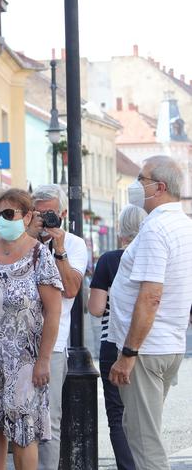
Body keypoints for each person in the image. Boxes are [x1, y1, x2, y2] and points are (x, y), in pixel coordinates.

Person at [108, 156, 192, 470]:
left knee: (145, 444)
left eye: (141, 179)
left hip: (147, 348)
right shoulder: (183, 224)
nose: (135, 185)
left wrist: (128, 352)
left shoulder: (156, 229)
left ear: (159, 187)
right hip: (167, 343)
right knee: (142, 430)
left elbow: (150, 296)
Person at [0, 189, 63, 470]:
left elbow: (53, 312)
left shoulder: (39, 256)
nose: (1, 219)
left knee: (24, 432)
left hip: (24, 362)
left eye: (8, 214)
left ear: (27, 217)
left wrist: (44, 359)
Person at [26, 184, 89, 470]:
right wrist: (28, 237)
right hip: (16, 340)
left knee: (48, 418)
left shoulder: (73, 244)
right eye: (38, 214)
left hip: (53, 345)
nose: (44, 220)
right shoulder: (21, 241)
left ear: (62, 213)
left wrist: (58, 249)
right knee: (11, 416)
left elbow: (72, 289)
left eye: (49, 214)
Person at [88, 205, 146, 470]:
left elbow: (97, 308)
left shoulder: (110, 260)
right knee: (146, 414)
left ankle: (127, 466)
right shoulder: (152, 257)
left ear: (122, 232)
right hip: (146, 343)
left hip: (113, 343)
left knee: (117, 414)